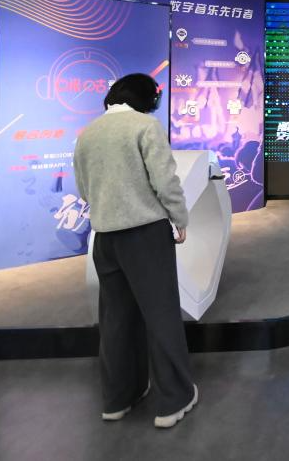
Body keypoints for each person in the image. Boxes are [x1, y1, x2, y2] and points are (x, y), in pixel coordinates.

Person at [73, 73, 198, 429]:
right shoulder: (145, 127)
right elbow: (165, 181)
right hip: (145, 235)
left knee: (115, 319)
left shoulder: (88, 134)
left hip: (105, 239)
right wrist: (179, 217)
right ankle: (174, 399)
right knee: (161, 315)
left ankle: (117, 398)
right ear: (147, 99)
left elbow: (83, 189)